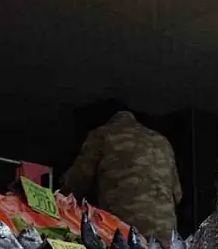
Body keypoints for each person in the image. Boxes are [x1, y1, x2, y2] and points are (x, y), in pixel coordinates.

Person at [62, 102, 182, 241]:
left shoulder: (102, 135)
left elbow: (76, 183)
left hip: (125, 232)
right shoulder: (162, 142)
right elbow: (177, 195)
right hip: (167, 233)